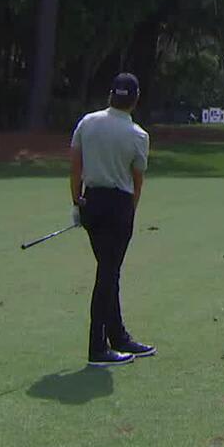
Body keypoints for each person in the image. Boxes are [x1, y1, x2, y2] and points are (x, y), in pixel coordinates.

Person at [70, 73, 156, 367]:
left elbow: (76, 166)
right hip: (118, 204)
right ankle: (98, 348)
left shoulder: (87, 123)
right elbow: (137, 180)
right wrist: (129, 210)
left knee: (110, 271)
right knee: (107, 274)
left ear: (111, 95)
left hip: (91, 202)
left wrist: (77, 202)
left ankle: (118, 336)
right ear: (135, 99)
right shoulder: (138, 135)